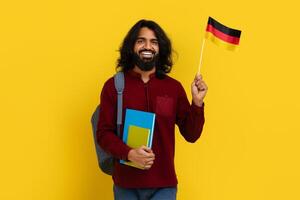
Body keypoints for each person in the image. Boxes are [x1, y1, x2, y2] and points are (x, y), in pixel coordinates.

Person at [97, 19, 208, 200]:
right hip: (126, 186)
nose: (147, 46)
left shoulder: (173, 88)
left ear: (160, 49)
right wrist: (129, 153)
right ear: (131, 47)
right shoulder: (113, 86)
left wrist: (197, 103)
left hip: (164, 186)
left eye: (154, 42)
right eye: (141, 41)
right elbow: (103, 133)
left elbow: (191, 134)